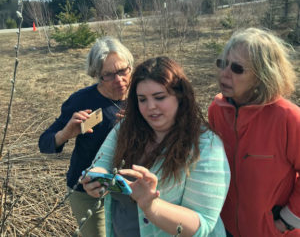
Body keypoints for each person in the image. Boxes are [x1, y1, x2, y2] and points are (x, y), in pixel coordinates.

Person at [82, 56, 230, 236]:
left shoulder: (206, 145)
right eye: (142, 99)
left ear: (180, 96)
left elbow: (202, 225)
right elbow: (100, 163)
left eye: (159, 97)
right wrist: (95, 180)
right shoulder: (126, 128)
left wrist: (151, 205)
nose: (150, 106)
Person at [208, 28, 300, 237]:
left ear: (262, 75)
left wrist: (287, 219)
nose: (225, 73)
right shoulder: (216, 110)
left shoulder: (289, 118)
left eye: (237, 68)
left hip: (273, 232)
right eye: (223, 63)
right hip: (227, 229)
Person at [38, 36, 134, 237]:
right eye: (109, 75)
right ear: (97, 75)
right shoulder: (82, 101)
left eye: (123, 71)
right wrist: (66, 133)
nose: (119, 80)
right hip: (88, 191)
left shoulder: (141, 96)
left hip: (127, 189)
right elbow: (44, 143)